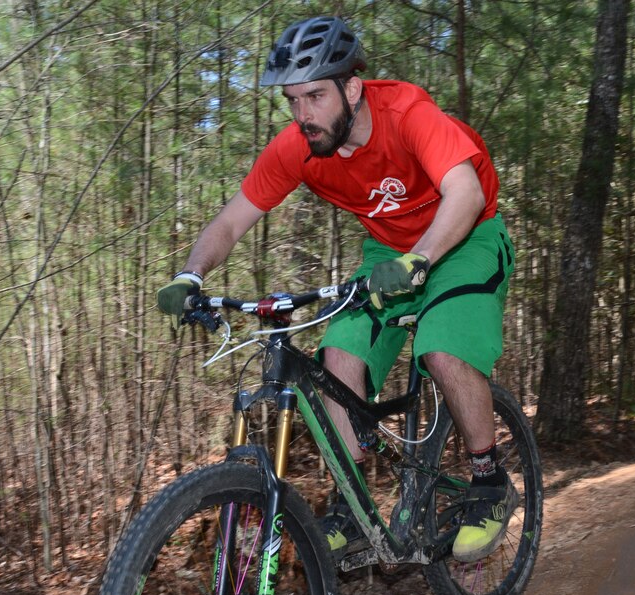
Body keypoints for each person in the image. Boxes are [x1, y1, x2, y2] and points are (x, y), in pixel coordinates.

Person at [157, 16, 516, 563]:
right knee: (334, 365)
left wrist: (419, 259)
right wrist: (191, 275)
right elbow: (230, 223)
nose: (303, 115)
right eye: (293, 99)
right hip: (388, 252)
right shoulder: (298, 147)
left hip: (464, 236)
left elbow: (463, 194)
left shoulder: (409, 114)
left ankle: (489, 483)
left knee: (442, 352)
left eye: (316, 96)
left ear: (352, 87)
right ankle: (352, 512)